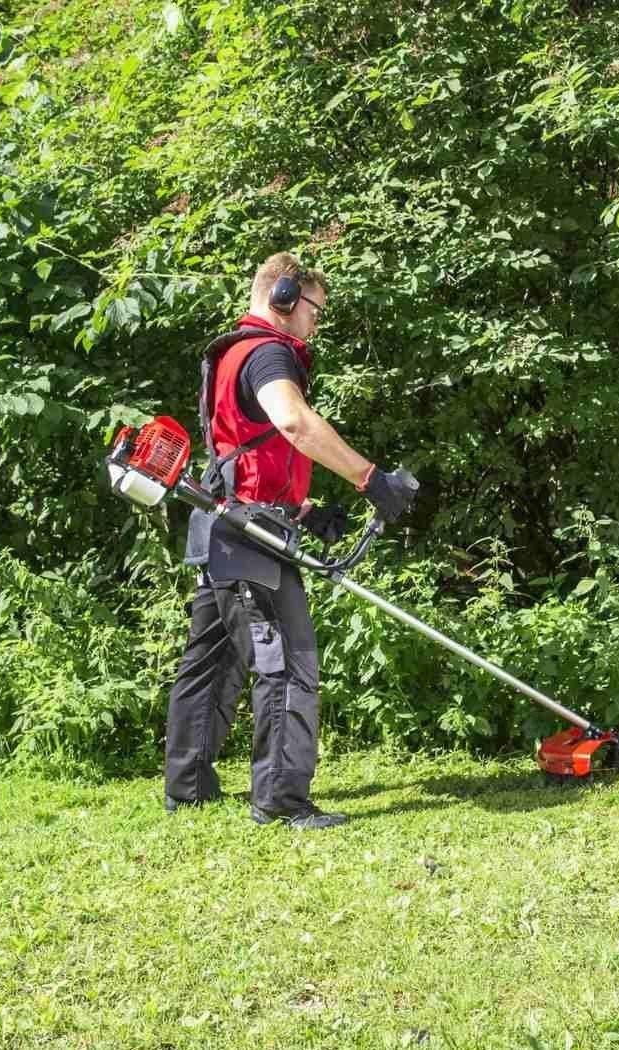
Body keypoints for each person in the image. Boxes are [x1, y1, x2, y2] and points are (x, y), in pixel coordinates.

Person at [164, 252, 417, 830]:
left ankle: (188, 789)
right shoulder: (269, 352)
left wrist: (304, 510)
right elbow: (293, 423)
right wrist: (370, 479)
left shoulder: (233, 353)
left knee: (210, 662)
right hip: (250, 540)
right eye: (314, 309)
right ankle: (280, 801)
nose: (316, 323)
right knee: (288, 662)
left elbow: (245, 452)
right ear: (283, 297)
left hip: (227, 529)